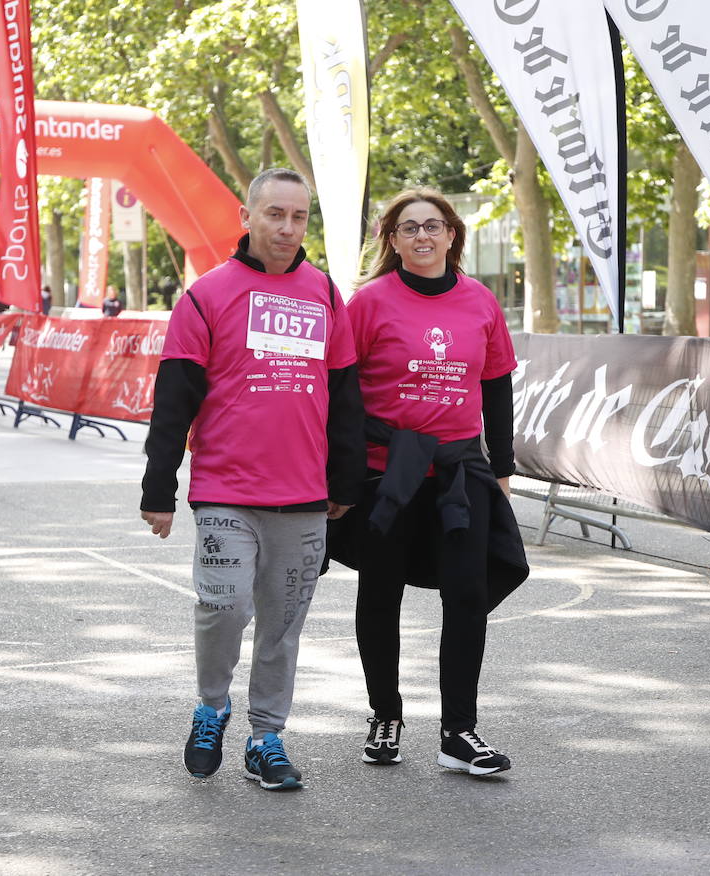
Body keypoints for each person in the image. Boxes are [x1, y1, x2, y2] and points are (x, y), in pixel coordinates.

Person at [140, 167, 364, 791]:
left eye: (299, 217)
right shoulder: (206, 295)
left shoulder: (323, 292)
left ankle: (266, 738)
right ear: (246, 216)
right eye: (275, 214)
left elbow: (344, 394)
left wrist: (344, 484)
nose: (288, 228)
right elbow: (174, 400)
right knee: (224, 605)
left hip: (303, 498)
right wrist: (159, 489)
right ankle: (211, 707)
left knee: (282, 625)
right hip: (225, 494)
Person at [329, 188, 528, 777]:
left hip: (461, 472)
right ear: (392, 240)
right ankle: (384, 716)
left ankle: (459, 732)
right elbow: (339, 389)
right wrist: (344, 468)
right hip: (385, 472)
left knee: (467, 596)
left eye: (433, 227)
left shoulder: (481, 302)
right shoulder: (366, 303)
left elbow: (496, 386)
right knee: (381, 592)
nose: (422, 236)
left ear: (451, 236)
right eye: (409, 228)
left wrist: (503, 466)